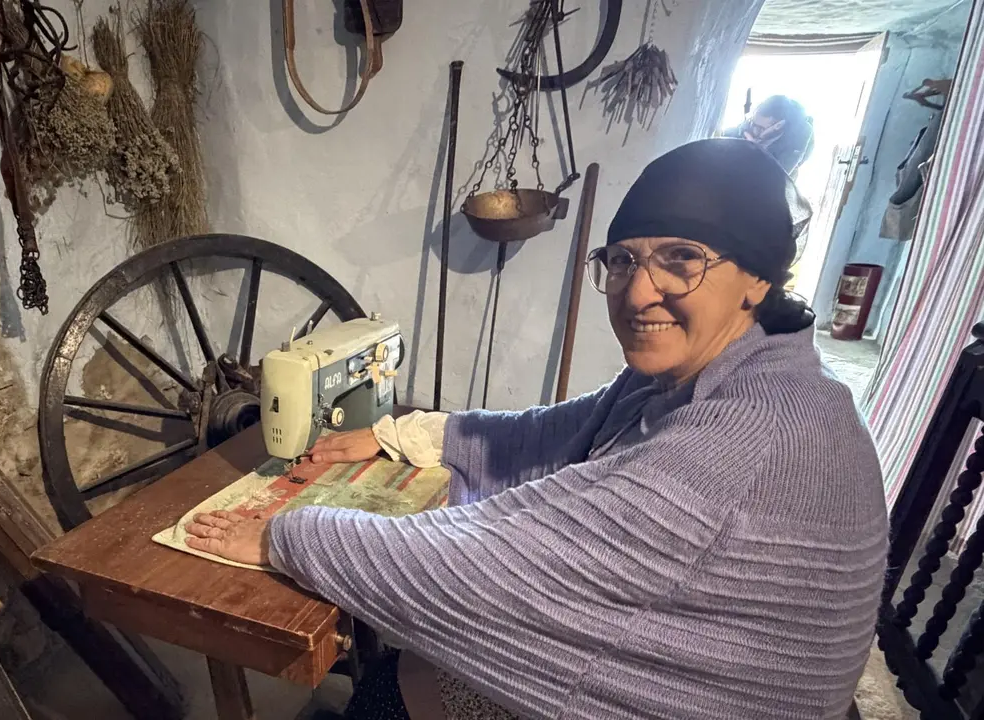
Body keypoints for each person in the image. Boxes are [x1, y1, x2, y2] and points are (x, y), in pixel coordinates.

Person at [184, 138, 888, 719]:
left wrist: (284, 531)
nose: (639, 291)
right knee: (414, 662)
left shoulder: (744, 438)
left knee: (396, 686)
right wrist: (402, 434)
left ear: (757, 278)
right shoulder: (747, 372)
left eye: (681, 258)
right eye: (622, 260)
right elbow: (551, 432)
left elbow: (478, 567)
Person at [722, 94, 816, 177]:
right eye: (752, 123)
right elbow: (738, 131)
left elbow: (779, 176)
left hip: (778, 174)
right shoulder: (757, 119)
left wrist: (757, 149)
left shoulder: (799, 136)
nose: (754, 130)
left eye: (760, 128)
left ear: (778, 125)